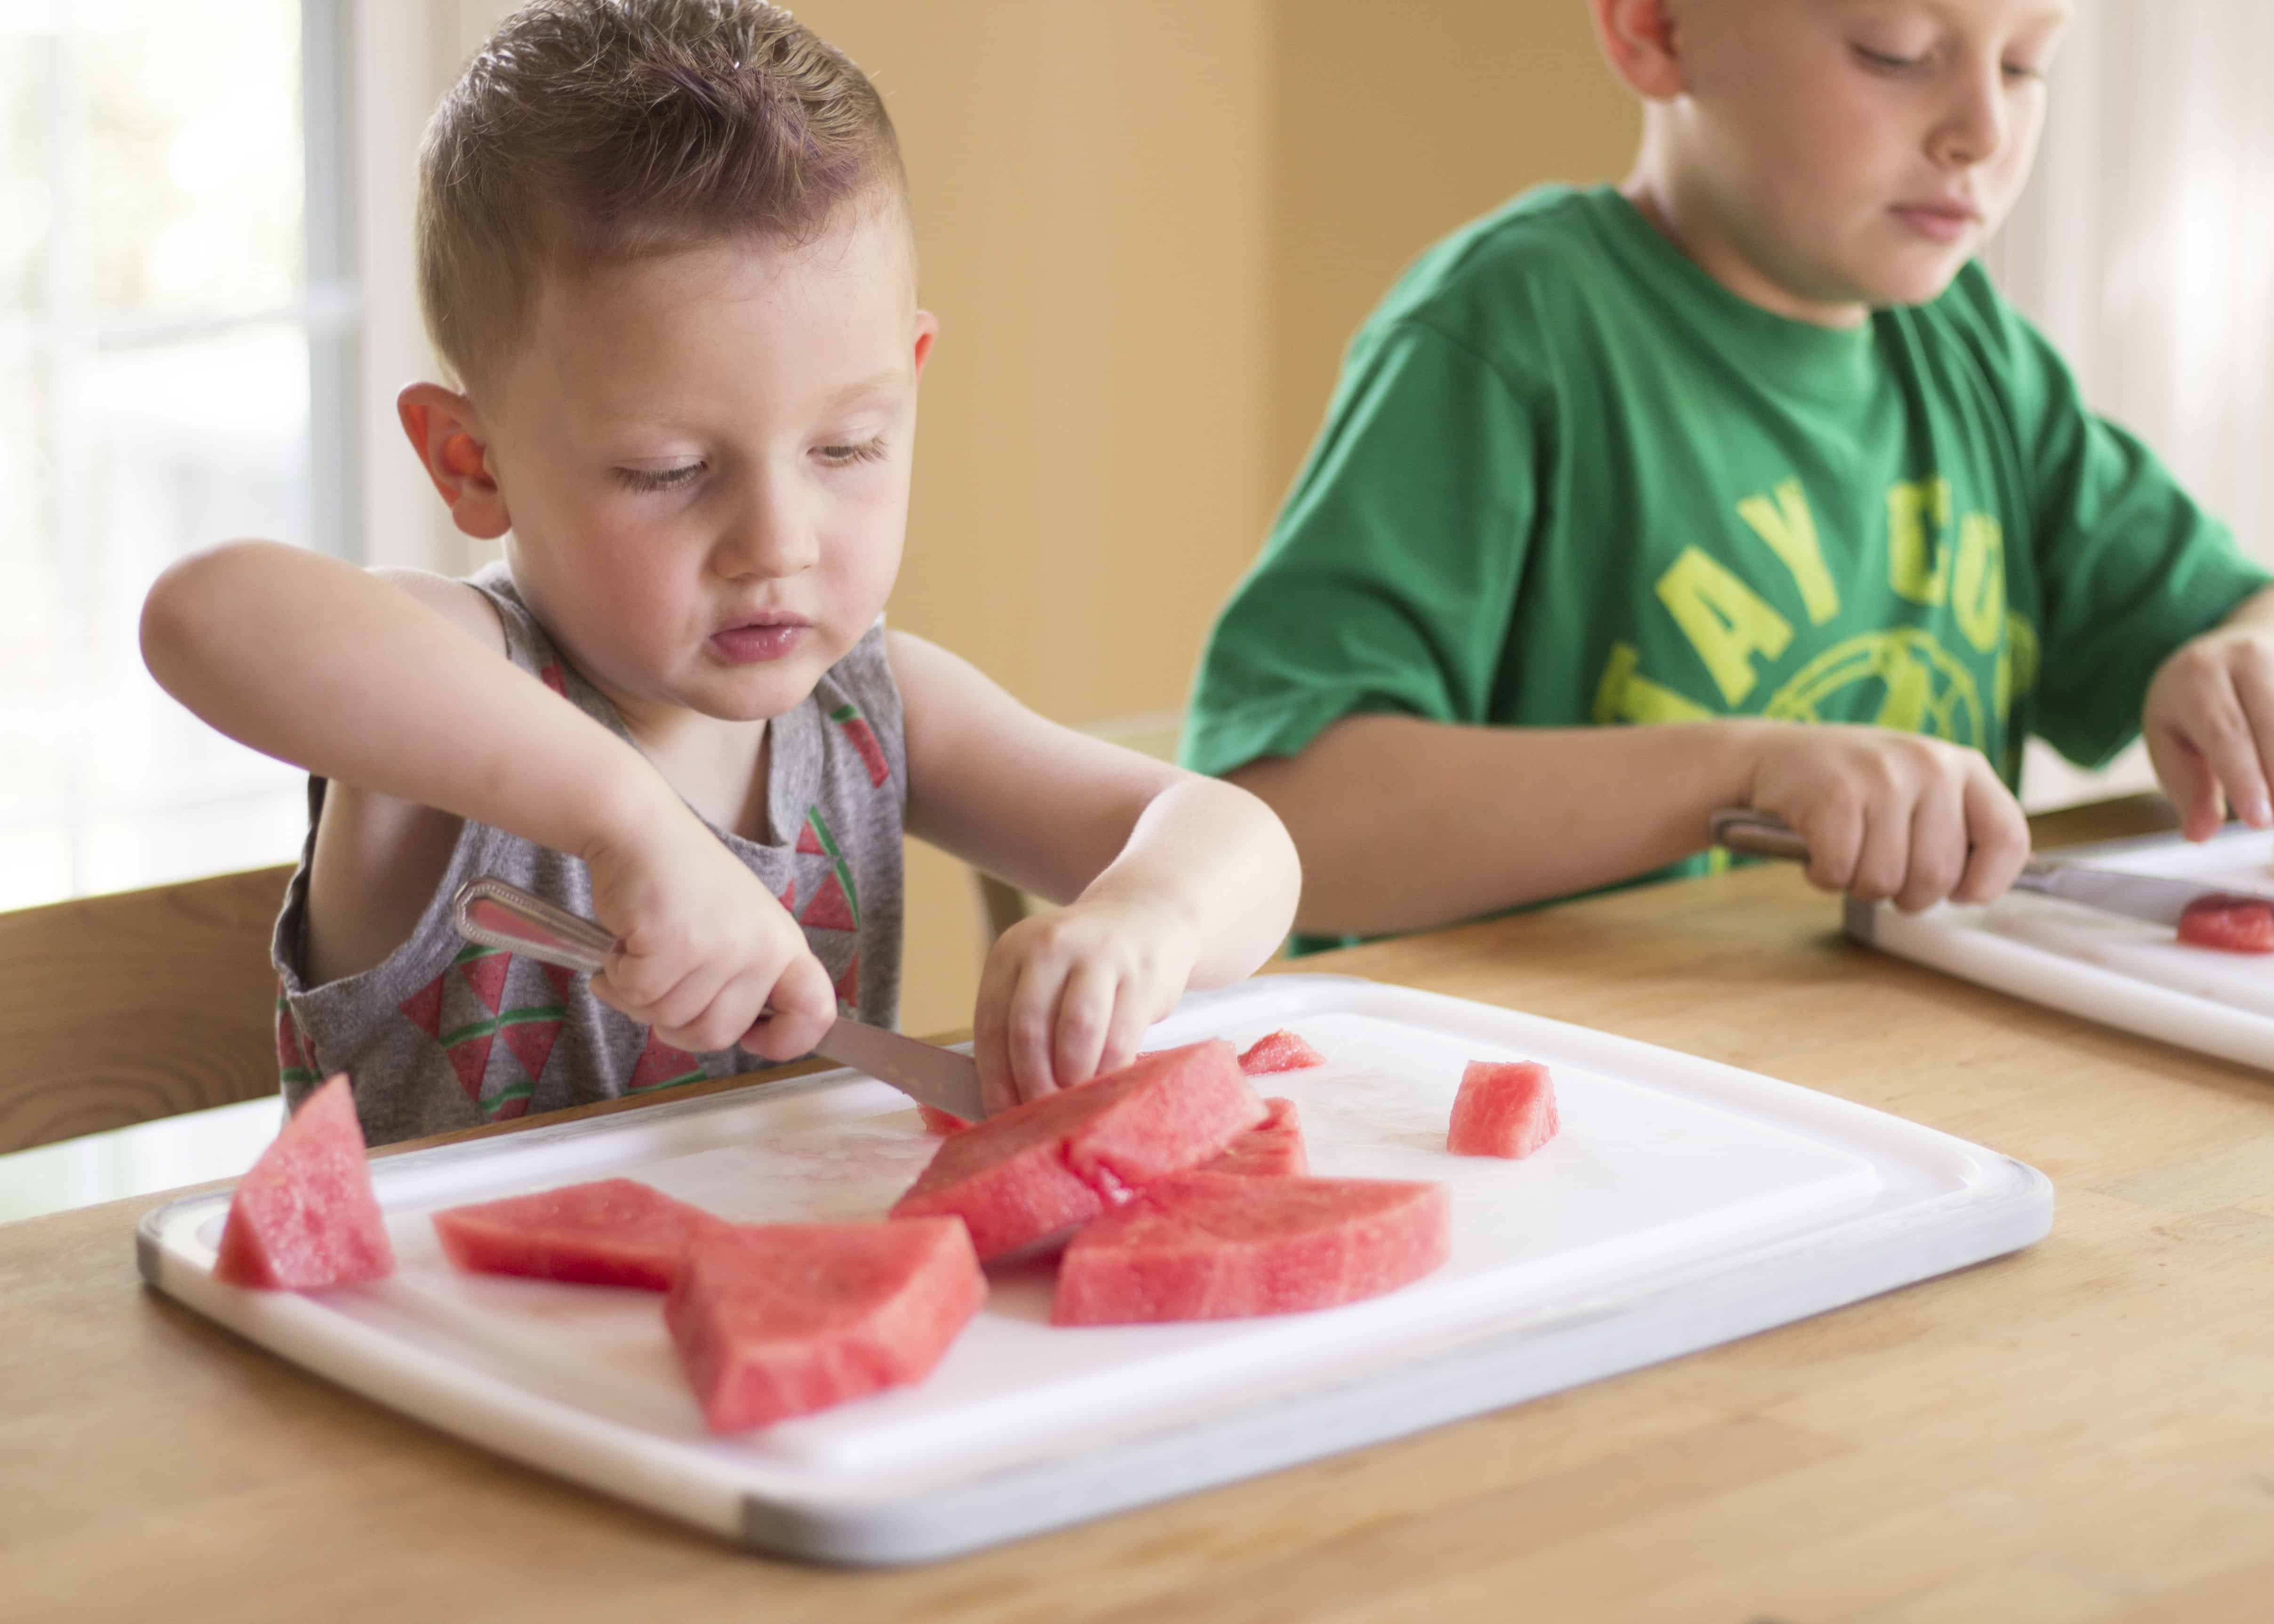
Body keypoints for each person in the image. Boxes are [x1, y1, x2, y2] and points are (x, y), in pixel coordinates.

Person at [141, 0, 1298, 1143]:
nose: (777, 542)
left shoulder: (867, 707)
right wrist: (625, 826)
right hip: (414, 1330)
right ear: (473, 459)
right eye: (670, 470)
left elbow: (1237, 838)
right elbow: (203, 613)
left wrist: (1146, 919)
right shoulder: (460, 694)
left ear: (911, 379)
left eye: (845, 448)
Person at [1182, 0, 2274, 952]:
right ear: (1652, 27)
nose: (1980, 131)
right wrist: (1737, 771)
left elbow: (2236, 615)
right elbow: (1284, 816)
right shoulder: (1512, 334)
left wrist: (2238, 661)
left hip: (1895, 1093)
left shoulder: (1973, 352)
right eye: (1894, 52)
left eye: (2024, 64)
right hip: (1569, 1120)